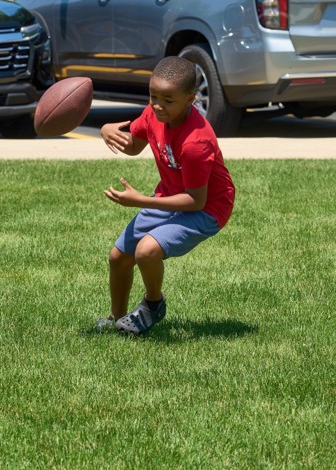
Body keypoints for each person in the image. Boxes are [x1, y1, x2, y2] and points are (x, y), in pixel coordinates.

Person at [98, 56, 236, 335]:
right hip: (171, 195)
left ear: (190, 99)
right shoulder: (154, 113)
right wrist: (107, 130)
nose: (158, 105)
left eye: (168, 100)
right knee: (118, 257)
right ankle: (117, 318)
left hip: (207, 208)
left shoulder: (196, 141)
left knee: (146, 251)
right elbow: (134, 146)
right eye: (153, 97)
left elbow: (195, 200)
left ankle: (153, 304)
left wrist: (140, 201)